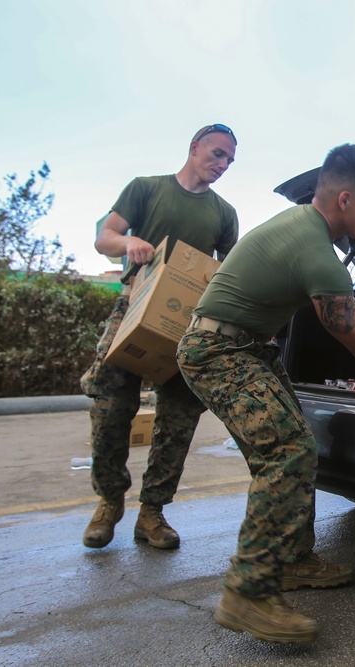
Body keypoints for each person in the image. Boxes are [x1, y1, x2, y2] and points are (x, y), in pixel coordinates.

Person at [176, 144, 355, 644]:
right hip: (218, 353)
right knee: (286, 453)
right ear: (346, 199)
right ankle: (248, 592)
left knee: (296, 445)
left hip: (246, 350)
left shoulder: (304, 231)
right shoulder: (314, 250)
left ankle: (291, 559)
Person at [80, 124, 239, 550]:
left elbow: (227, 273)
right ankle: (110, 501)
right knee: (111, 404)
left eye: (229, 160)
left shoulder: (224, 213)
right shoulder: (146, 189)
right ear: (194, 148)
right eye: (217, 154)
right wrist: (128, 240)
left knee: (180, 414)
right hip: (134, 304)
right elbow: (104, 238)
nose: (222, 165)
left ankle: (152, 512)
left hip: (190, 321)